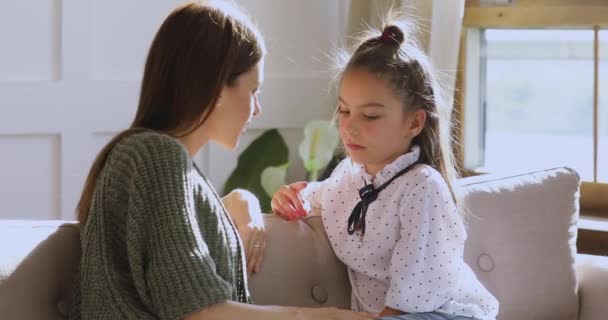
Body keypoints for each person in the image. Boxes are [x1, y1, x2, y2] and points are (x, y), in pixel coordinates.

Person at [68, 1, 378, 320]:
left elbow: (175, 233)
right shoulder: (155, 156)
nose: (256, 109)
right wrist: (322, 317)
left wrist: (240, 200)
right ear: (217, 88)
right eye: (253, 90)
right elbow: (199, 311)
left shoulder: (157, 159)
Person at [271, 19, 500, 320]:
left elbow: (410, 299)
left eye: (370, 115)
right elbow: (315, 198)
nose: (350, 127)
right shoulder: (348, 177)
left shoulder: (423, 187)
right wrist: (289, 199)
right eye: (344, 110)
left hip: (445, 314)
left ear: (414, 123)